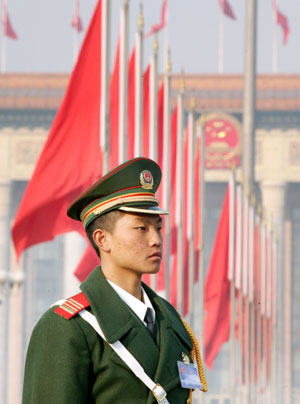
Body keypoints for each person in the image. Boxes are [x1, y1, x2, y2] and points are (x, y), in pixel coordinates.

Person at [22, 157, 206, 404]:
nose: (156, 240)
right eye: (141, 228)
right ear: (102, 239)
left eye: (158, 228)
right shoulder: (69, 328)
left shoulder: (172, 324)